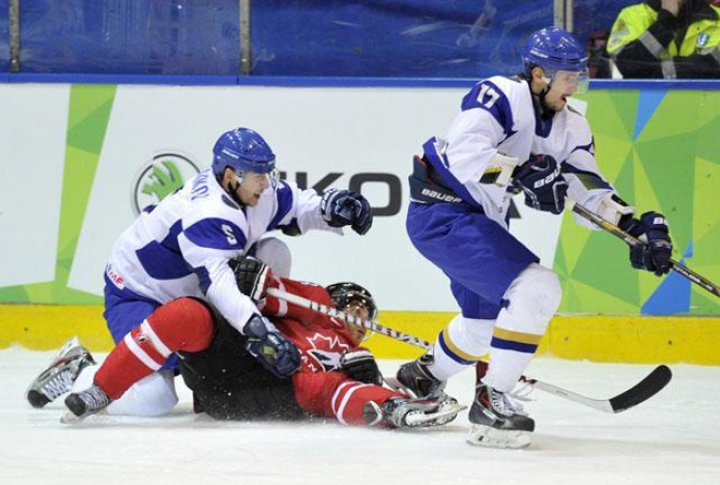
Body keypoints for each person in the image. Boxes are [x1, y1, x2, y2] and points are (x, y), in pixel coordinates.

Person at [396, 26, 674, 449]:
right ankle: (493, 400)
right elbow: (464, 154)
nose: (574, 85)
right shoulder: (500, 95)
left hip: (481, 217)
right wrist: (520, 174)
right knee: (537, 287)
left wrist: (631, 228)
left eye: (578, 76)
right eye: (568, 76)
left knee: (484, 326)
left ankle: (424, 375)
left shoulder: (573, 125)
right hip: (442, 209)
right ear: (540, 74)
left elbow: (588, 188)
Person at [26, 127, 373, 419]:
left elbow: (298, 206)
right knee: (154, 401)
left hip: (187, 288)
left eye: (268, 172)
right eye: (258, 175)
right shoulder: (206, 213)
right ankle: (80, 370)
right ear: (230, 175)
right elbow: (219, 285)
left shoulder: (254, 190)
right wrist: (258, 330)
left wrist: (332, 209)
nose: (266, 183)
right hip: (140, 293)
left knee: (273, 253)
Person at [177, 256, 463, 428]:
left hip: (278, 394)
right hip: (249, 366)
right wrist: (260, 285)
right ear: (335, 303)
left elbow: (347, 386)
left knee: (330, 387)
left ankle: (394, 408)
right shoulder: (315, 312)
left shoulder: (357, 353)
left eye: (367, 315)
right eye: (356, 308)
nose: (362, 320)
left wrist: (372, 381)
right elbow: (283, 295)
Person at [606, 0, 720, 78]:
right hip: (647, 108)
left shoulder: (716, 17)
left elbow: (709, 67)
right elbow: (626, 66)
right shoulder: (631, 16)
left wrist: (648, 72)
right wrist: (665, 22)